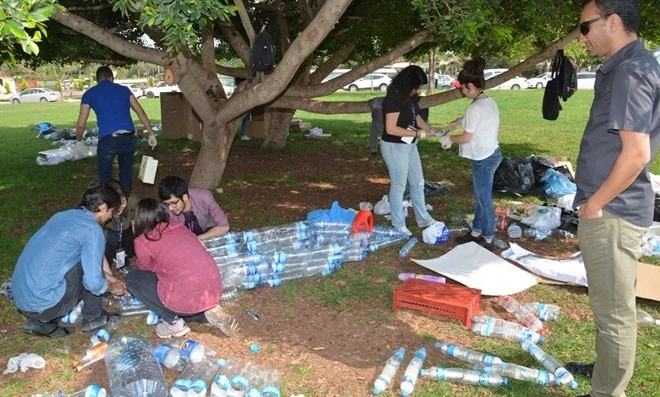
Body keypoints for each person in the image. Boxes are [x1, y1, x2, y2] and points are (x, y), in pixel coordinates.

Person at [567, 2, 660, 397]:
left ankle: (607, 391)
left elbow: (637, 153)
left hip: (612, 212)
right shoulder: (631, 66)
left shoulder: (631, 71)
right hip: (615, 209)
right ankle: (605, 372)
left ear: (613, 21)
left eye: (585, 27)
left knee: (615, 315)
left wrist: (595, 204)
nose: (582, 37)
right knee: (609, 305)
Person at [11, 181, 125, 337]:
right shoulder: (91, 229)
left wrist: (111, 279)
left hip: (23, 299)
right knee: (87, 267)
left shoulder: (62, 216)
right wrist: (112, 288)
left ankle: (40, 322)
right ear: (103, 207)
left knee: (82, 261)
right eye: (111, 211)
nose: (111, 216)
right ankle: (94, 318)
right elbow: (93, 282)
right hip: (44, 304)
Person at [124, 198, 222, 338]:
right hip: (213, 291)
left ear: (138, 220)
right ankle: (205, 314)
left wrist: (159, 266)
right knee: (181, 282)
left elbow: (145, 269)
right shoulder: (178, 226)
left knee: (132, 278)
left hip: (184, 297)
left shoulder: (143, 241)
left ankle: (172, 322)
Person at [440, 57, 502, 251]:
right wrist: (458, 121)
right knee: (480, 197)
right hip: (491, 153)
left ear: (470, 86)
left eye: (463, 88)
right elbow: (476, 119)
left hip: (483, 159)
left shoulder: (475, 108)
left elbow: (466, 138)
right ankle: (476, 232)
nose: (462, 91)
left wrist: (448, 139)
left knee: (484, 201)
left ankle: (489, 238)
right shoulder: (487, 101)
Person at [75, 66, 158, 193]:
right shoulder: (124, 90)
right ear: (112, 77)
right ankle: (126, 200)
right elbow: (140, 112)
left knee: (105, 178)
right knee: (125, 173)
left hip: (108, 140)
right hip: (128, 138)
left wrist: (79, 141)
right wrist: (151, 134)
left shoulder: (89, 94)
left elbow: (81, 124)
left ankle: (109, 204)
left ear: (97, 80)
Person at [380, 65, 437, 236]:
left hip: (410, 145)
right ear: (407, 84)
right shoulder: (392, 99)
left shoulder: (410, 98)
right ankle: (398, 224)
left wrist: (429, 129)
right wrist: (418, 133)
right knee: (399, 185)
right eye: (416, 86)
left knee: (418, 182)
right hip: (394, 146)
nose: (417, 90)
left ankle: (423, 218)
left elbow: (417, 116)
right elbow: (391, 129)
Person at [158, 175, 230, 240]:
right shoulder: (165, 210)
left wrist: (198, 239)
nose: (170, 208)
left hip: (209, 231)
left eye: (173, 203)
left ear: (185, 197)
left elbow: (224, 226)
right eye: (167, 204)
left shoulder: (204, 197)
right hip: (185, 239)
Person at [104, 179, 137, 269]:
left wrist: (136, 238)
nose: (120, 208)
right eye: (116, 205)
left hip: (126, 228)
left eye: (122, 203)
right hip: (110, 231)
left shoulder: (132, 201)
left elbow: (134, 220)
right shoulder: (102, 210)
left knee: (130, 240)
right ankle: (109, 262)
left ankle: (125, 257)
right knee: (111, 241)